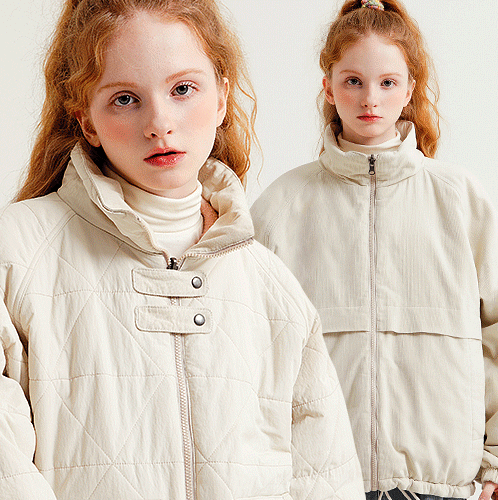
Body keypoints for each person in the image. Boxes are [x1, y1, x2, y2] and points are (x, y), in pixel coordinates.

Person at [0, 0, 365, 498]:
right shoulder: (17, 252)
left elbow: (325, 477)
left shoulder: (271, 285)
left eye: (182, 89)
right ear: (86, 120)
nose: (159, 122)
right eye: (125, 99)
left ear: (221, 98)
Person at [251, 0, 498, 499]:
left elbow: (497, 334)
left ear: (409, 89)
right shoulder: (281, 205)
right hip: (319, 486)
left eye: (388, 82)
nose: (370, 99)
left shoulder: (460, 199)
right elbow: (250, 354)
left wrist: (496, 460)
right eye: (353, 81)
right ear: (328, 87)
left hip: (444, 487)